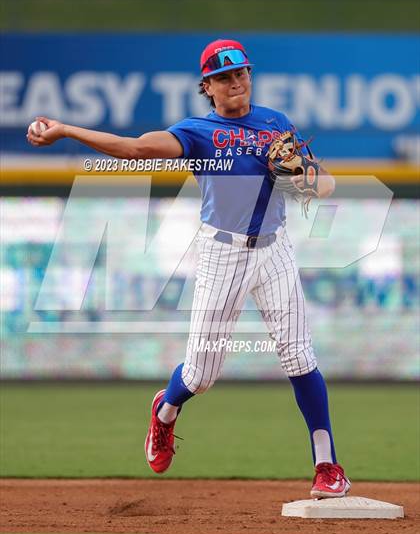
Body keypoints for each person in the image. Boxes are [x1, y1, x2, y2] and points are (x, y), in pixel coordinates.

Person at [27, 39, 350, 499]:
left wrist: (302, 176)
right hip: (223, 254)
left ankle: (327, 466)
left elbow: (324, 186)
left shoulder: (276, 123)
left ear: (249, 76)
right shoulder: (197, 132)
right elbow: (133, 149)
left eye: (240, 73)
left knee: (299, 356)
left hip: (276, 249)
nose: (234, 82)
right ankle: (165, 409)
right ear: (207, 87)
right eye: (223, 78)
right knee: (200, 375)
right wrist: (64, 129)